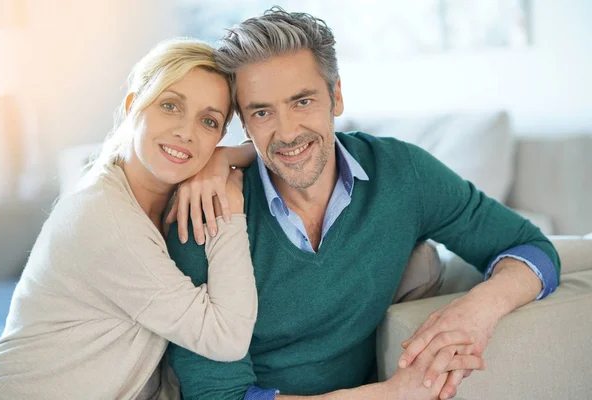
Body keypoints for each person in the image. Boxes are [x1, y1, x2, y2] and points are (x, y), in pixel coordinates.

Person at [166, 7, 561, 400]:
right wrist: (393, 394)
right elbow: (218, 396)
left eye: (302, 102)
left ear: (336, 96)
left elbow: (532, 249)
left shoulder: (402, 173)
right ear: (243, 122)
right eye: (263, 111)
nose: (287, 133)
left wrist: (477, 312)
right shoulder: (207, 215)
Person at [0, 38, 259, 400]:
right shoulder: (104, 218)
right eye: (170, 106)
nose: (186, 131)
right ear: (133, 105)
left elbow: (266, 151)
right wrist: (230, 204)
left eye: (208, 121)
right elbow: (227, 337)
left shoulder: (156, 199)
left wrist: (222, 159)